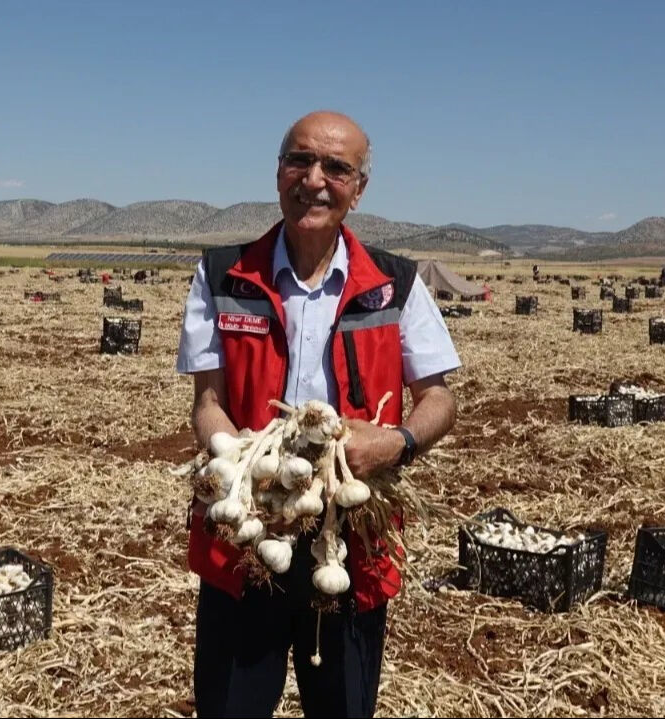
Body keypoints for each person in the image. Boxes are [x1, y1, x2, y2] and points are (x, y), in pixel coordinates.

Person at [176, 111, 459, 718]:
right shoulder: (222, 273)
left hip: (353, 546)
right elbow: (207, 404)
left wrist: (397, 442)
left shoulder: (395, 284)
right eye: (299, 160)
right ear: (278, 172)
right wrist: (240, 470)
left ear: (359, 189)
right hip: (245, 544)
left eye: (337, 167)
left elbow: (439, 399)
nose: (315, 179)